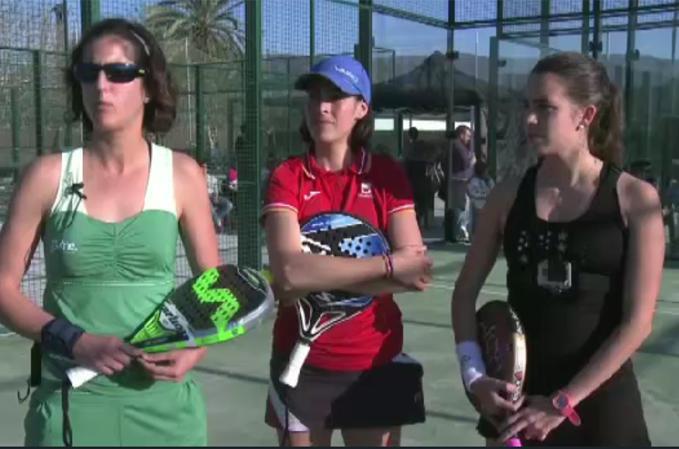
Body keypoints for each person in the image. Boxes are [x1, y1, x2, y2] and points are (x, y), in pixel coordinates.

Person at [0, 18, 219, 446]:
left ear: (149, 86)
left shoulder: (182, 174)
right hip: (69, 409)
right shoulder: (45, 176)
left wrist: (195, 349)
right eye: (89, 72)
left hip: (165, 411)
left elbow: (214, 288)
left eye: (119, 72)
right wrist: (74, 341)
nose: (101, 86)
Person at [451, 52, 663, 446]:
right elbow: (464, 293)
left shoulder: (636, 199)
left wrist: (562, 403)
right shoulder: (507, 196)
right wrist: (475, 376)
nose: (529, 119)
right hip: (517, 412)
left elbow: (638, 323)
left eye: (545, 107)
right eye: (526, 106)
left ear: (586, 116)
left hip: (603, 413)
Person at [262, 55, 433, 447]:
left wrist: (317, 273)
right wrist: (387, 265)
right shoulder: (287, 177)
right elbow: (288, 273)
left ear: (361, 109)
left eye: (335, 96)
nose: (321, 107)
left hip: (375, 361)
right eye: (314, 97)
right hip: (300, 364)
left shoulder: (386, 175)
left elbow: (417, 271)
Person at [441, 125, 475, 242]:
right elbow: (465, 164)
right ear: (461, 135)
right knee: (459, 208)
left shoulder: (454, 146)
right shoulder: (458, 147)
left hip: (457, 181)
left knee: (458, 208)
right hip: (459, 181)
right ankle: (457, 233)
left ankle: (455, 233)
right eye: (468, 136)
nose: (469, 139)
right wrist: (472, 161)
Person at [466, 160, 495, 237]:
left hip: (487, 205)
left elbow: (493, 190)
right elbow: (472, 193)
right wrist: (485, 195)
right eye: (486, 172)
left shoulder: (488, 180)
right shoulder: (473, 181)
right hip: (477, 205)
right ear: (481, 172)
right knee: (476, 221)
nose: (487, 174)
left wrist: (489, 182)